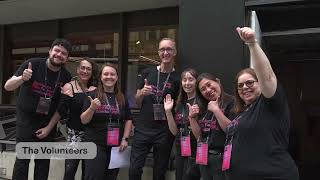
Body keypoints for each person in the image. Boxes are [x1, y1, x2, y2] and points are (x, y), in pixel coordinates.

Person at [225, 27, 299, 180]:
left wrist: (252, 43)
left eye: (250, 82)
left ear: (260, 84)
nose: (244, 87)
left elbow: (268, 78)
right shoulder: (244, 112)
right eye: (240, 85)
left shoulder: (270, 104)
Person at [4, 38, 72, 180]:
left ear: (67, 58)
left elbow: (61, 107)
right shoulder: (33, 64)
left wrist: (49, 127)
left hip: (48, 124)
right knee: (22, 162)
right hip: (26, 122)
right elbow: (8, 86)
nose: (59, 55)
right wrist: (22, 78)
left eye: (63, 53)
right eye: (57, 50)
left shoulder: (66, 76)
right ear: (50, 51)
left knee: (43, 164)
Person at [129, 38, 180, 180]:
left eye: (169, 49)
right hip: (143, 128)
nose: (166, 52)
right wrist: (141, 93)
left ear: (174, 52)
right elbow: (137, 101)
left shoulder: (177, 78)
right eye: (162, 49)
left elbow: (178, 105)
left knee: (159, 171)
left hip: (164, 131)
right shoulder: (147, 72)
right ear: (158, 53)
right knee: (134, 169)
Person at [80, 63, 133, 180]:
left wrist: (125, 139)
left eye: (112, 74)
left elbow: (128, 119)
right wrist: (92, 107)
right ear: (100, 77)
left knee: (111, 177)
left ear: (117, 77)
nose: (109, 77)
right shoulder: (92, 95)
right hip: (94, 144)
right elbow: (83, 120)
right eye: (106, 74)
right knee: (94, 176)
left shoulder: (121, 97)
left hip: (115, 145)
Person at [56, 58, 98, 180]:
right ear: (78, 69)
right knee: (70, 171)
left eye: (88, 69)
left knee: (88, 172)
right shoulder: (69, 86)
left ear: (92, 71)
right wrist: (65, 98)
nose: (85, 71)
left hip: (91, 135)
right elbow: (61, 112)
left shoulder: (95, 88)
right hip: (74, 136)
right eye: (83, 68)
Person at [188, 73, 234, 180]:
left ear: (217, 81)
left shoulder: (231, 102)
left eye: (209, 84)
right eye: (203, 89)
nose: (208, 90)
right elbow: (199, 136)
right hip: (204, 157)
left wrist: (217, 110)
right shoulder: (205, 107)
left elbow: (231, 130)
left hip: (222, 158)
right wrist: (192, 118)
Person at [164, 68, 201, 180]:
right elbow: (175, 131)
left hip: (197, 149)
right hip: (181, 147)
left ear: (197, 82)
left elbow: (200, 133)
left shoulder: (201, 103)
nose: (187, 83)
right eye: (184, 80)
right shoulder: (180, 104)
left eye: (191, 79)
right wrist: (168, 112)